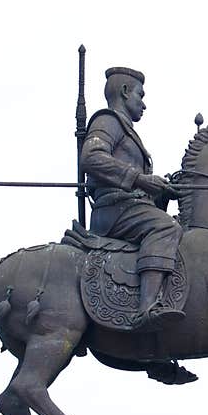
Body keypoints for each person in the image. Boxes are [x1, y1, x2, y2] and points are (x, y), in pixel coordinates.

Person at [80, 67, 185, 330]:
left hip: (129, 207)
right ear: (126, 92)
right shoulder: (108, 121)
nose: (144, 103)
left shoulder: (125, 128)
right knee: (165, 227)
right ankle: (146, 308)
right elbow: (91, 157)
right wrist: (139, 179)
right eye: (141, 95)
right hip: (114, 209)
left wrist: (160, 189)